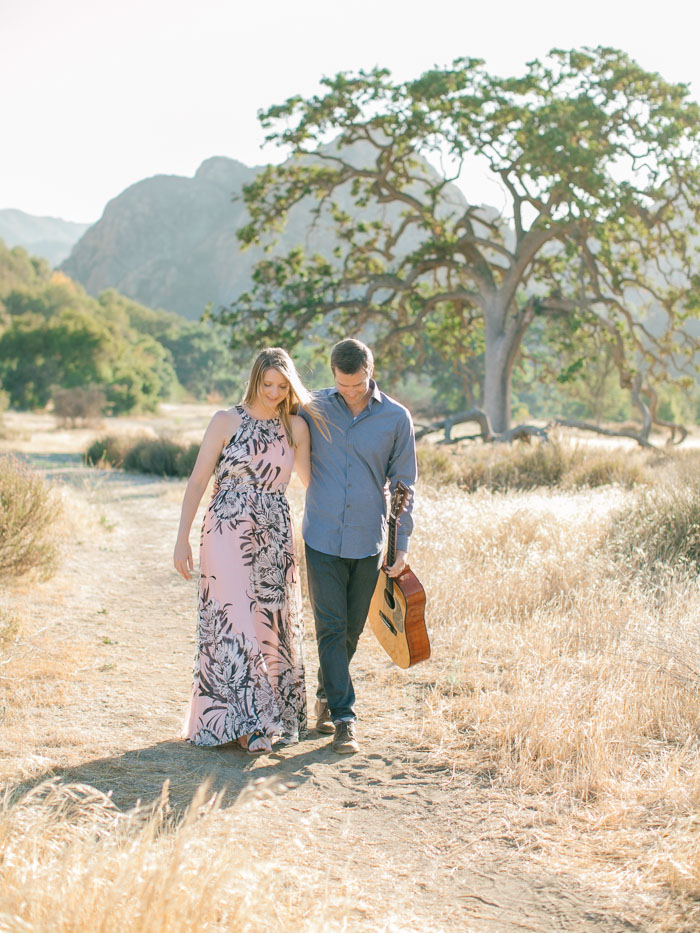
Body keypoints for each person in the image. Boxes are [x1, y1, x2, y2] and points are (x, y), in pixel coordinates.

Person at [174, 347, 326, 754]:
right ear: (254, 379)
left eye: (282, 386)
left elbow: (312, 482)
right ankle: (242, 724)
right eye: (267, 384)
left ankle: (268, 717)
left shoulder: (295, 427)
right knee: (232, 619)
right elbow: (197, 481)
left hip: (274, 532)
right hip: (226, 530)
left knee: (269, 623)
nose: (274, 392)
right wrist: (181, 537)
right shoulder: (225, 420)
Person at [300, 338, 417, 754]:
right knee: (330, 627)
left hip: (368, 539)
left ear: (370, 371)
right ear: (333, 374)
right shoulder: (311, 406)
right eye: (344, 386)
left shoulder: (396, 418)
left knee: (349, 632)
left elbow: (405, 484)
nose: (351, 392)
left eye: (358, 384)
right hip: (321, 536)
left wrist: (401, 544)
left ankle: (324, 694)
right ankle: (344, 718)